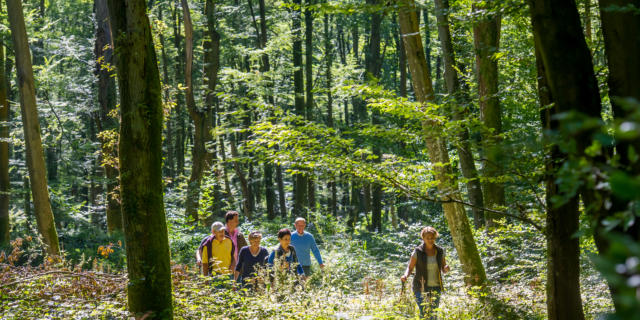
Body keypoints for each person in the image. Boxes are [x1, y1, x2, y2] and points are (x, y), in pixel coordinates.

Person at [400, 226, 450, 320]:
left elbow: (443, 268)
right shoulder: (418, 251)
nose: (430, 240)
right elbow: (410, 267)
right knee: (424, 313)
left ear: (435, 238)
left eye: (433, 238)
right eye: (428, 238)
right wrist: (405, 275)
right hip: (420, 287)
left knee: (433, 314)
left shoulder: (440, 251)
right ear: (423, 238)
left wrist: (446, 268)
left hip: (436, 287)